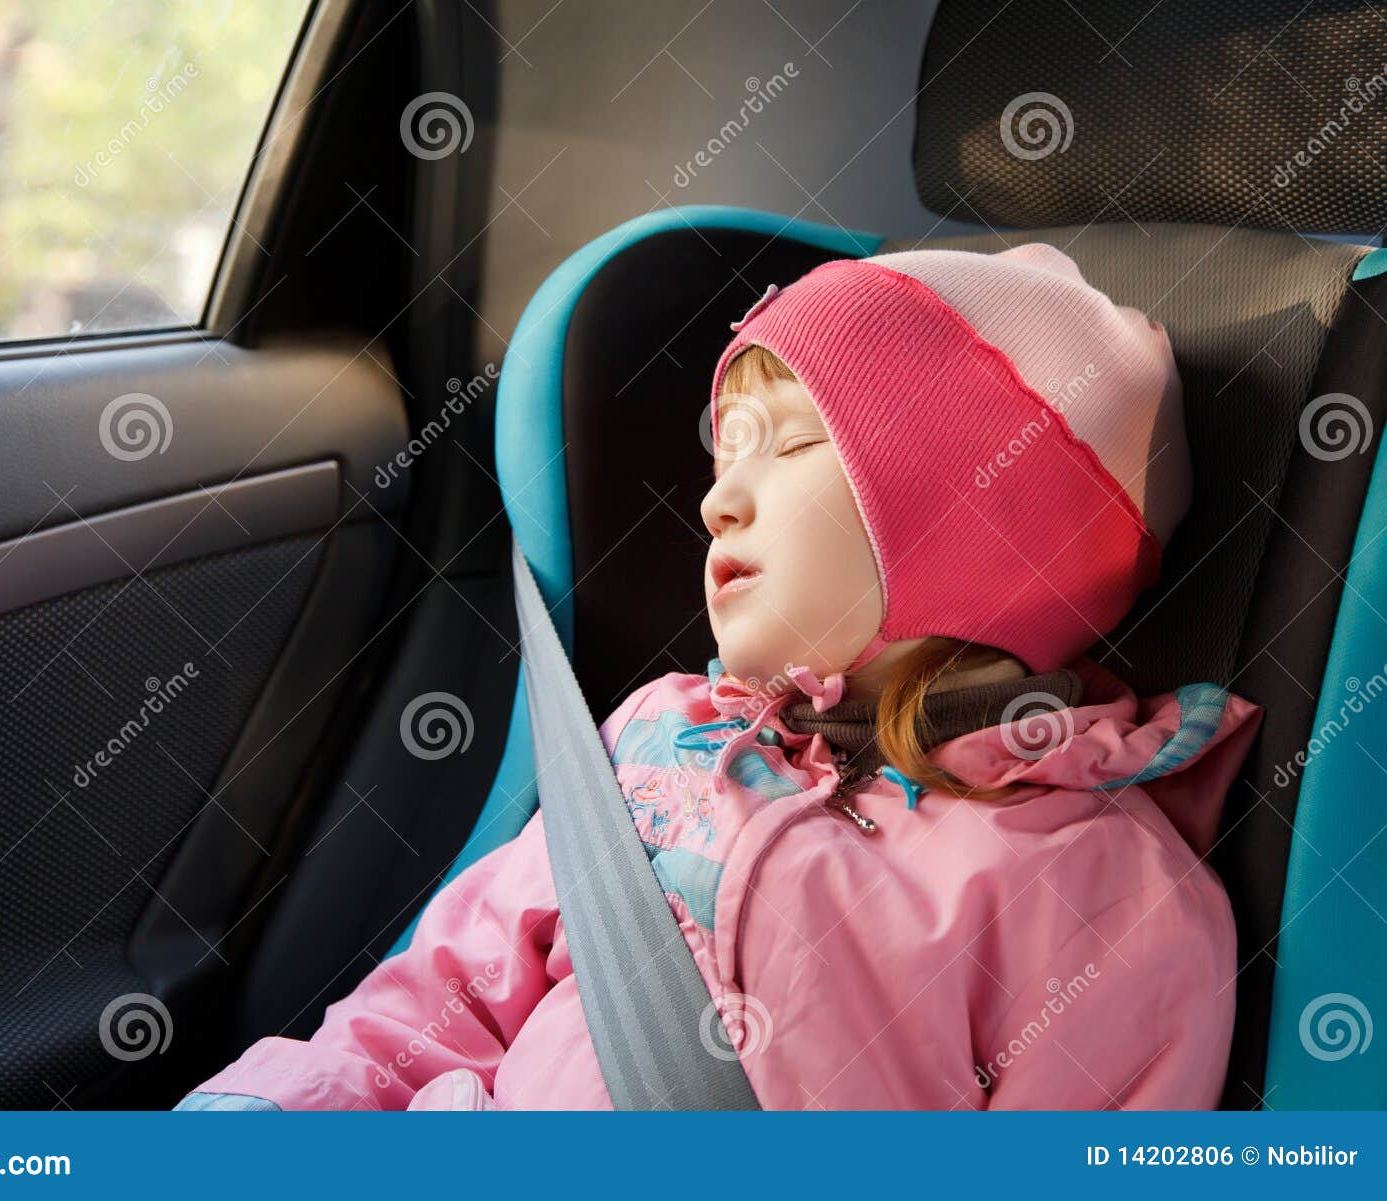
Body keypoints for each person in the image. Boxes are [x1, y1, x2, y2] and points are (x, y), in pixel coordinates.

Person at [179, 243, 1263, 1110]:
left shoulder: (1108, 898)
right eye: (720, 461)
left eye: (790, 448)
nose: (716, 503)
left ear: (979, 517)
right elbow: (443, 998)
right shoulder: (662, 743)